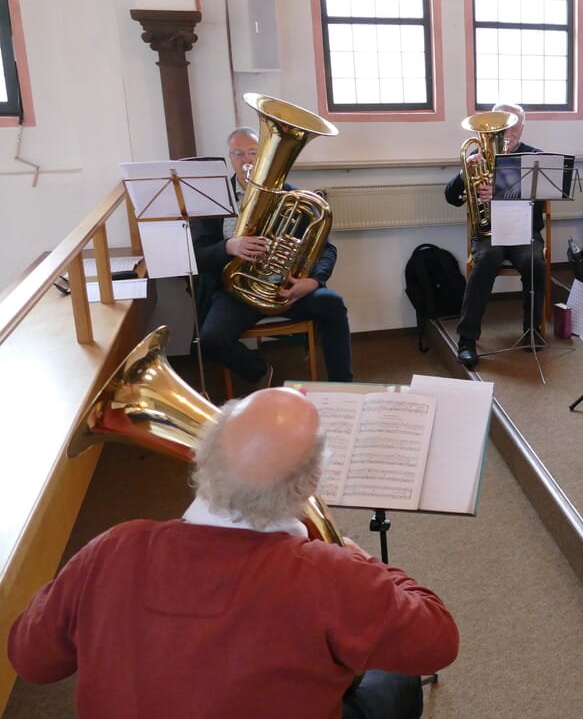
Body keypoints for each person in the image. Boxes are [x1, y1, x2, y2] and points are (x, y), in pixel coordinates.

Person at [7, 387, 459, 718]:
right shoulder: (335, 574)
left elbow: (32, 659)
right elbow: (438, 642)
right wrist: (370, 566)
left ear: (202, 458)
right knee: (394, 672)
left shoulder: (113, 546)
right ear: (311, 484)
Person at [193, 127, 353, 389]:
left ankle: (344, 386)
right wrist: (229, 247)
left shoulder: (289, 195)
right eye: (238, 153)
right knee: (210, 340)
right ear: (230, 159)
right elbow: (197, 257)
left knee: (333, 304)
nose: (246, 160)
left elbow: (327, 249)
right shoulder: (214, 201)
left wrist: (313, 281)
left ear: (263, 156)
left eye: (253, 152)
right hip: (236, 292)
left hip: (285, 290)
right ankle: (259, 373)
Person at [445, 102, 547, 368]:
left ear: (522, 128)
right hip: (488, 234)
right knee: (486, 262)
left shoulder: (535, 157)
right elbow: (451, 199)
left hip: (524, 231)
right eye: (502, 127)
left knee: (534, 262)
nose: (508, 133)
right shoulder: (477, 155)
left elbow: (545, 199)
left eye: (513, 126)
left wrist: (503, 192)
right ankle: (467, 340)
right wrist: (463, 172)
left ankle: (532, 331)